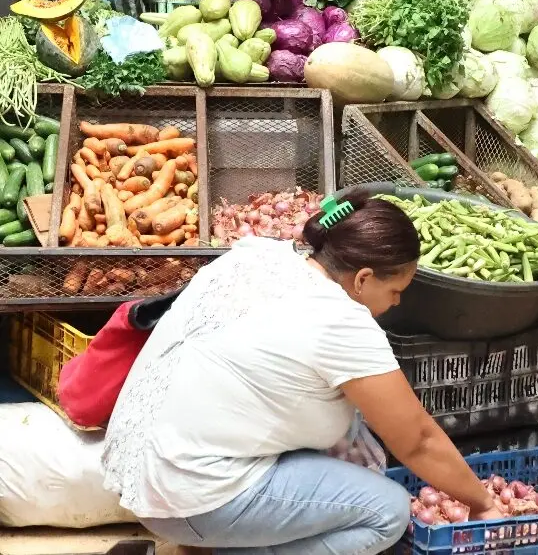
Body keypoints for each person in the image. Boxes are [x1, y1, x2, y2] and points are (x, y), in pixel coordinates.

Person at [101, 191, 503, 555]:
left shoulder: (259, 255)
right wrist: (483, 503)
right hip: (187, 495)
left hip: (135, 466)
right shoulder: (339, 320)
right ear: (363, 279)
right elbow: (418, 441)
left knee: (352, 425)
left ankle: (219, 540)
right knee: (387, 512)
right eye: (395, 291)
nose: (396, 303)